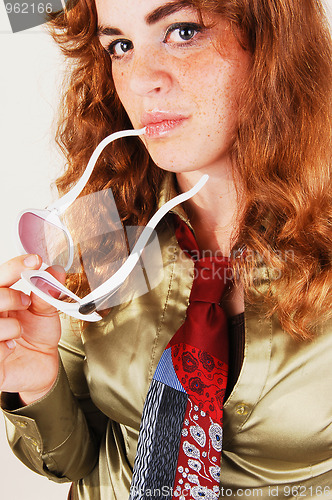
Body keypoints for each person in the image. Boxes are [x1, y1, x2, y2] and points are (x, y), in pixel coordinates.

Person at [0, 0, 331, 499]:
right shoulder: (106, 222)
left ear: (271, 46)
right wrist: (37, 383)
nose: (139, 80)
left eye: (182, 32)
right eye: (121, 46)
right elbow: (74, 459)